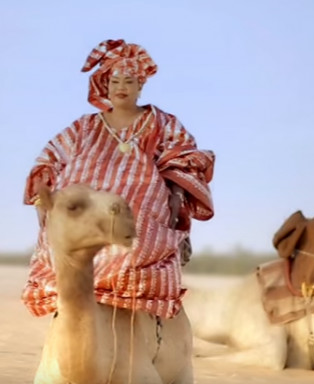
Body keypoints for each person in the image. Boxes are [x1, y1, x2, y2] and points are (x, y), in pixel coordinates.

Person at [21, 39, 215, 319]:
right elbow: (50, 156)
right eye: (114, 82)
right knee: (66, 233)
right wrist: (43, 194)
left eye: (128, 81)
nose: (121, 88)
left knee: (133, 241)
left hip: (141, 203)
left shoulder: (162, 122)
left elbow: (183, 156)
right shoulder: (85, 125)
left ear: (140, 86)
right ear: (105, 86)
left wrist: (175, 195)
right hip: (86, 201)